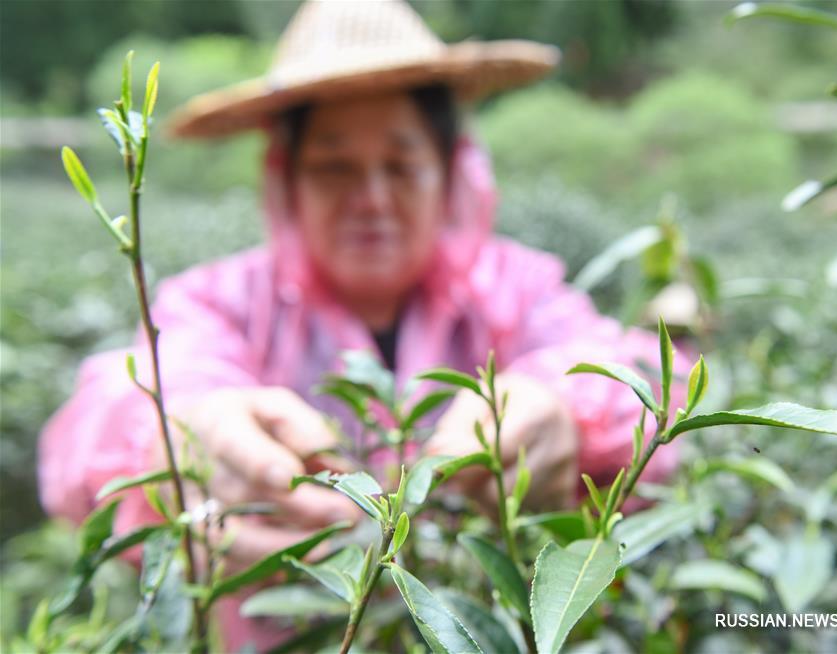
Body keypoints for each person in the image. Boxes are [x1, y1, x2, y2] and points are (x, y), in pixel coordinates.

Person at [39, 1, 682, 650]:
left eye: (401, 165)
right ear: (286, 180)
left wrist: (567, 411)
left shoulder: (515, 291)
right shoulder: (223, 302)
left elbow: (661, 393)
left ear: (447, 171)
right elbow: (90, 430)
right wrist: (180, 442)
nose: (372, 197)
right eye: (334, 166)